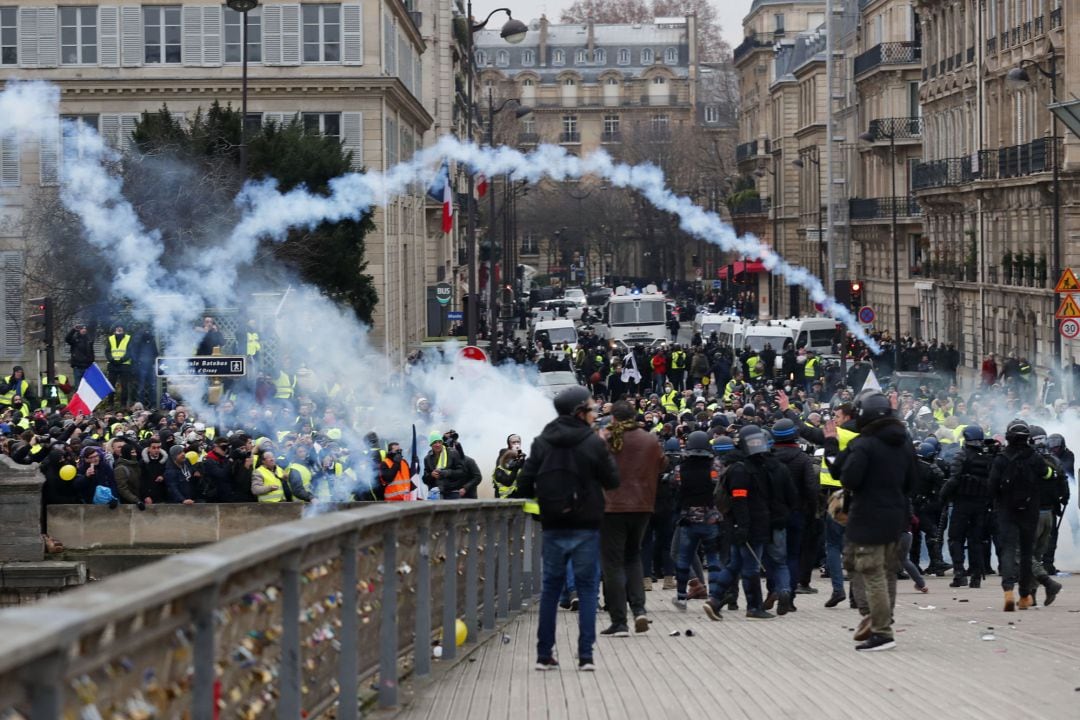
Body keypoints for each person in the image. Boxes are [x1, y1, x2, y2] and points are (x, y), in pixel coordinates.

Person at [517, 386, 619, 672]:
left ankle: (543, 655)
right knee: (587, 590)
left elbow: (523, 485)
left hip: (552, 525)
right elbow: (612, 481)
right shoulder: (593, 442)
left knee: (550, 590)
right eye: (591, 408)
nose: (595, 412)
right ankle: (585, 656)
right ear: (579, 411)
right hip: (586, 524)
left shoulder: (542, 441)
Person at [828, 390, 915, 652]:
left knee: (869, 570)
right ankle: (883, 619)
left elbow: (846, 477)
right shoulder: (905, 442)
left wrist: (832, 444)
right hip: (897, 516)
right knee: (888, 570)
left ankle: (881, 631)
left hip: (868, 517)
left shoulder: (864, 444)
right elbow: (913, 482)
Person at [599, 400, 665, 637]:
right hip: (642, 507)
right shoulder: (650, 439)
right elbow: (662, 464)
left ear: (613, 418)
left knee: (613, 564)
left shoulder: (606, 440)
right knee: (633, 557)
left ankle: (619, 622)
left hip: (611, 508)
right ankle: (639, 610)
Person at [705, 424, 774, 621]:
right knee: (750, 568)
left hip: (746, 524)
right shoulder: (741, 469)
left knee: (734, 564)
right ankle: (754, 606)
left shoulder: (753, 466)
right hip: (748, 525)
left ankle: (715, 600)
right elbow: (739, 499)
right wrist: (743, 526)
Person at [989, 420, 1050, 611]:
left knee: (1008, 551)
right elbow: (1047, 475)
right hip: (1030, 511)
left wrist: (997, 504)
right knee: (1026, 553)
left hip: (1007, 511)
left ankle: (1008, 592)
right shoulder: (1035, 457)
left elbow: (991, 487)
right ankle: (1024, 596)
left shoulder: (1001, 458)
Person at [670, 431, 722, 611]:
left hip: (688, 519)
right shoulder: (714, 466)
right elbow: (719, 486)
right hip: (710, 518)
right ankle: (714, 598)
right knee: (714, 560)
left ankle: (681, 598)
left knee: (683, 559)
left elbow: (675, 487)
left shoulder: (680, 469)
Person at [943, 425, 995, 588]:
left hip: (962, 503)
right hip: (981, 504)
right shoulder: (988, 457)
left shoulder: (962, 455)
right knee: (976, 540)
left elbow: (954, 479)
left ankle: (959, 573)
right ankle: (976, 577)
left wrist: (942, 496)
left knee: (955, 538)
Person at [106, 325, 134, 408]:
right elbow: (107, 351)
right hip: (112, 365)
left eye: (121, 327)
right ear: (114, 330)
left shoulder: (128, 338)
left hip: (124, 365)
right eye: (117, 327)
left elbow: (130, 352)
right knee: (111, 385)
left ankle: (123, 405)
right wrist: (112, 360)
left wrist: (121, 360)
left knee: (124, 386)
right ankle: (110, 404)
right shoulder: (110, 338)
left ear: (124, 330)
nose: (119, 328)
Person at [64, 324, 95, 389]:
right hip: (77, 367)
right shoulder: (75, 339)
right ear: (79, 330)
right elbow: (67, 339)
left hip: (87, 367)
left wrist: (91, 361)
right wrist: (73, 330)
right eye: (82, 329)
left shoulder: (89, 340)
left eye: (85, 329)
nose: (83, 330)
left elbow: (91, 353)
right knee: (78, 387)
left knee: (87, 387)